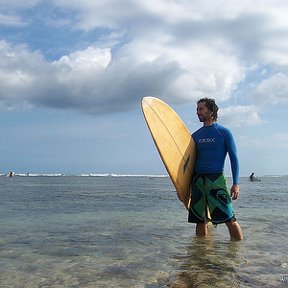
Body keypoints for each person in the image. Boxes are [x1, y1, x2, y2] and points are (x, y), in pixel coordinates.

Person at [188, 98, 243, 240]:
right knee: (200, 220)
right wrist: (183, 187)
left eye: (201, 109)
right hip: (197, 181)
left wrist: (235, 183)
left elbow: (234, 158)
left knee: (229, 218)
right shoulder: (195, 136)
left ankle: (238, 252)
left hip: (216, 180)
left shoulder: (223, 132)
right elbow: (187, 163)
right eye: (197, 109)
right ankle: (201, 254)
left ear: (211, 111)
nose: (198, 112)